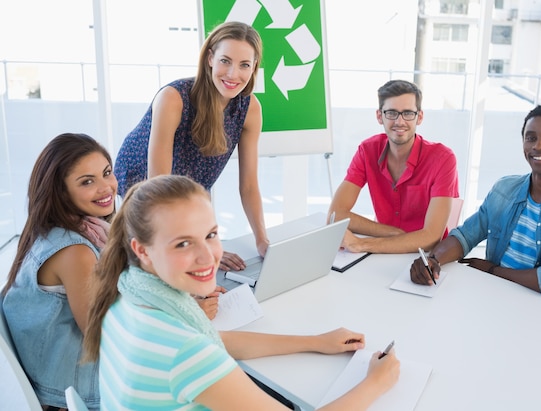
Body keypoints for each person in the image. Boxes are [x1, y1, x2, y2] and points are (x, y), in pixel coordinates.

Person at [83, 175, 400, 410]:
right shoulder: (184, 352)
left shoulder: (127, 296)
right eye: (182, 243)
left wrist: (315, 342)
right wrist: (375, 383)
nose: (208, 257)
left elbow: (214, 340)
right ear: (143, 250)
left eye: (210, 235)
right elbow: (197, 350)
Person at [410, 105, 541, 305]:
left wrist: (492, 271)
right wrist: (433, 260)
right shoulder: (504, 189)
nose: (538, 145)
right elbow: (465, 236)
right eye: (530, 138)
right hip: (496, 298)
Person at [114, 21, 268, 272]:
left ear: (253, 69)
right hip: (143, 186)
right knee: (154, 261)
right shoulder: (173, 98)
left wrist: (262, 241)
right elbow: (159, 187)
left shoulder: (249, 109)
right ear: (210, 58)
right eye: (225, 61)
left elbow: (249, 185)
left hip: (187, 187)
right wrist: (202, 246)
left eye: (244, 65)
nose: (232, 74)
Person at [1, 133, 118, 409]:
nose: (107, 188)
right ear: (61, 192)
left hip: (56, 381)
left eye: (106, 173)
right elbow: (104, 336)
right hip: (71, 396)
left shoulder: (58, 231)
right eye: (87, 181)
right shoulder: (75, 251)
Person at [328, 79, 459, 254]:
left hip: (426, 258)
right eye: (391, 113)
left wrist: (361, 244)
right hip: (385, 248)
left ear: (419, 117)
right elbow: (336, 215)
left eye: (408, 113)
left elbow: (431, 237)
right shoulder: (367, 151)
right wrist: (394, 233)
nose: (399, 121)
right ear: (379, 116)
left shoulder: (443, 158)